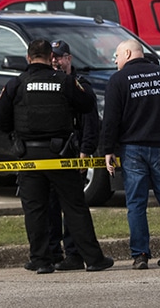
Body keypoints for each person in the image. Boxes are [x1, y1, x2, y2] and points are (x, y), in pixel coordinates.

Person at [0, 38, 114, 275]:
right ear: (51, 58)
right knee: (75, 207)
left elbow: (0, 121)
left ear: (28, 58)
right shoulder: (65, 82)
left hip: (28, 155)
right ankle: (93, 259)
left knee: (35, 209)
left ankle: (40, 260)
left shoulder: (16, 85)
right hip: (60, 154)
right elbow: (88, 102)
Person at [101, 38, 160, 270]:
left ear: (129, 54)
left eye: (117, 55)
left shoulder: (118, 80)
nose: (115, 59)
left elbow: (111, 119)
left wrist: (107, 149)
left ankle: (140, 255)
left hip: (132, 149)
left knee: (136, 204)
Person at [45, 39, 101, 271]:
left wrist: (85, 151)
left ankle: (74, 254)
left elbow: (90, 122)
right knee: (49, 205)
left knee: (72, 207)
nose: (56, 61)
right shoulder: (47, 85)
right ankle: (53, 253)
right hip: (50, 153)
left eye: (59, 56)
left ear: (69, 58)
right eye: (52, 58)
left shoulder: (80, 85)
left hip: (73, 151)